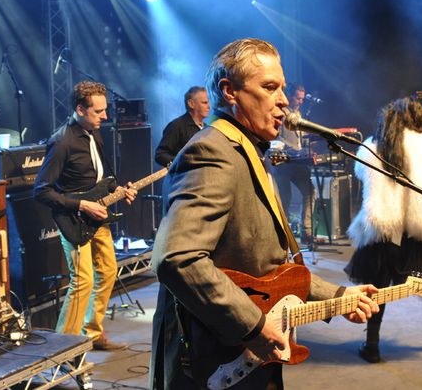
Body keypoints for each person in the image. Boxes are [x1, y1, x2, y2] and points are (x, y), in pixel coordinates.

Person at [150, 38, 378, 389]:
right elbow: (177, 258)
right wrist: (253, 326)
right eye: (270, 87)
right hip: (216, 360)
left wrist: (336, 297)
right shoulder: (213, 152)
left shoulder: (245, 149)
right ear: (229, 91)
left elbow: (267, 269)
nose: (284, 100)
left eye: (282, 88)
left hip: (241, 353)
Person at [345, 97, 422, 363]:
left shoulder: (371, 147)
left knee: (377, 287)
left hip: (386, 227)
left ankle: (372, 345)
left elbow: (362, 175)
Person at [33, 81, 137, 350]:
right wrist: (82, 205)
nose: (105, 116)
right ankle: (62, 347)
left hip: (97, 218)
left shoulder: (93, 133)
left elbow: (100, 178)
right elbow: (41, 191)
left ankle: (92, 333)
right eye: (98, 111)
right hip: (74, 220)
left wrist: (118, 190)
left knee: (108, 272)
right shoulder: (62, 142)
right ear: (80, 109)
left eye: (105, 110)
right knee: (82, 280)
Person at [272, 83, 316, 242]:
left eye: (302, 98)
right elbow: (276, 137)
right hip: (283, 162)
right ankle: (283, 235)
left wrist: (307, 145)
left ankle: (307, 231)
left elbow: (300, 138)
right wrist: (294, 150)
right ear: (289, 96)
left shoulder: (298, 114)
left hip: (298, 162)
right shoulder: (281, 113)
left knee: (310, 191)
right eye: (298, 98)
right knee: (285, 198)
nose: (300, 101)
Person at [154, 86, 210, 168]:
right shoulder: (176, 126)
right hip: (185, 175)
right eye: (204, 103)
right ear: (191, 104)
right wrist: (183, 163)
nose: (209, 107)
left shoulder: (207, 128)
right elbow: (160, 155)